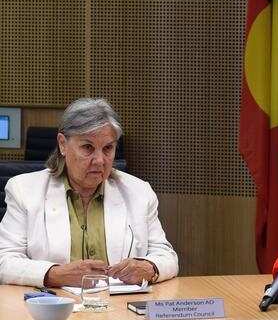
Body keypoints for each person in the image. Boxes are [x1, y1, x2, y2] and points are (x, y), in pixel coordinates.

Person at [0, 98, 178, 287]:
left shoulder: (139, 192)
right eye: (88, 148)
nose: (100, 160)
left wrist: (149, 268)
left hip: (119, 309)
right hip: (54, 307)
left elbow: (166, 256)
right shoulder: (24, 190)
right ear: (62, 144)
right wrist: (55, 274)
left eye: (108, 148)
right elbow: (4, 261)